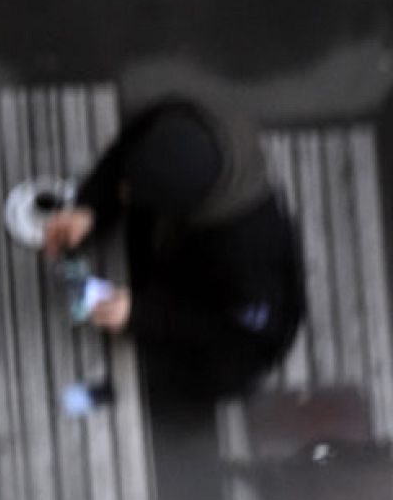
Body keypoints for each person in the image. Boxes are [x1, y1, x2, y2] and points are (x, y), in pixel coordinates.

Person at [44, 92, 305, 400]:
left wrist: (141, 314)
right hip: (193, 245)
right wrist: (92, 207)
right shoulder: (181, 119)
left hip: (240, 323)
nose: (124, 194)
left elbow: (236, 329)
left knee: (220, 371)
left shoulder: (247, 255)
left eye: (134, 192)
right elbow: (129, 147)